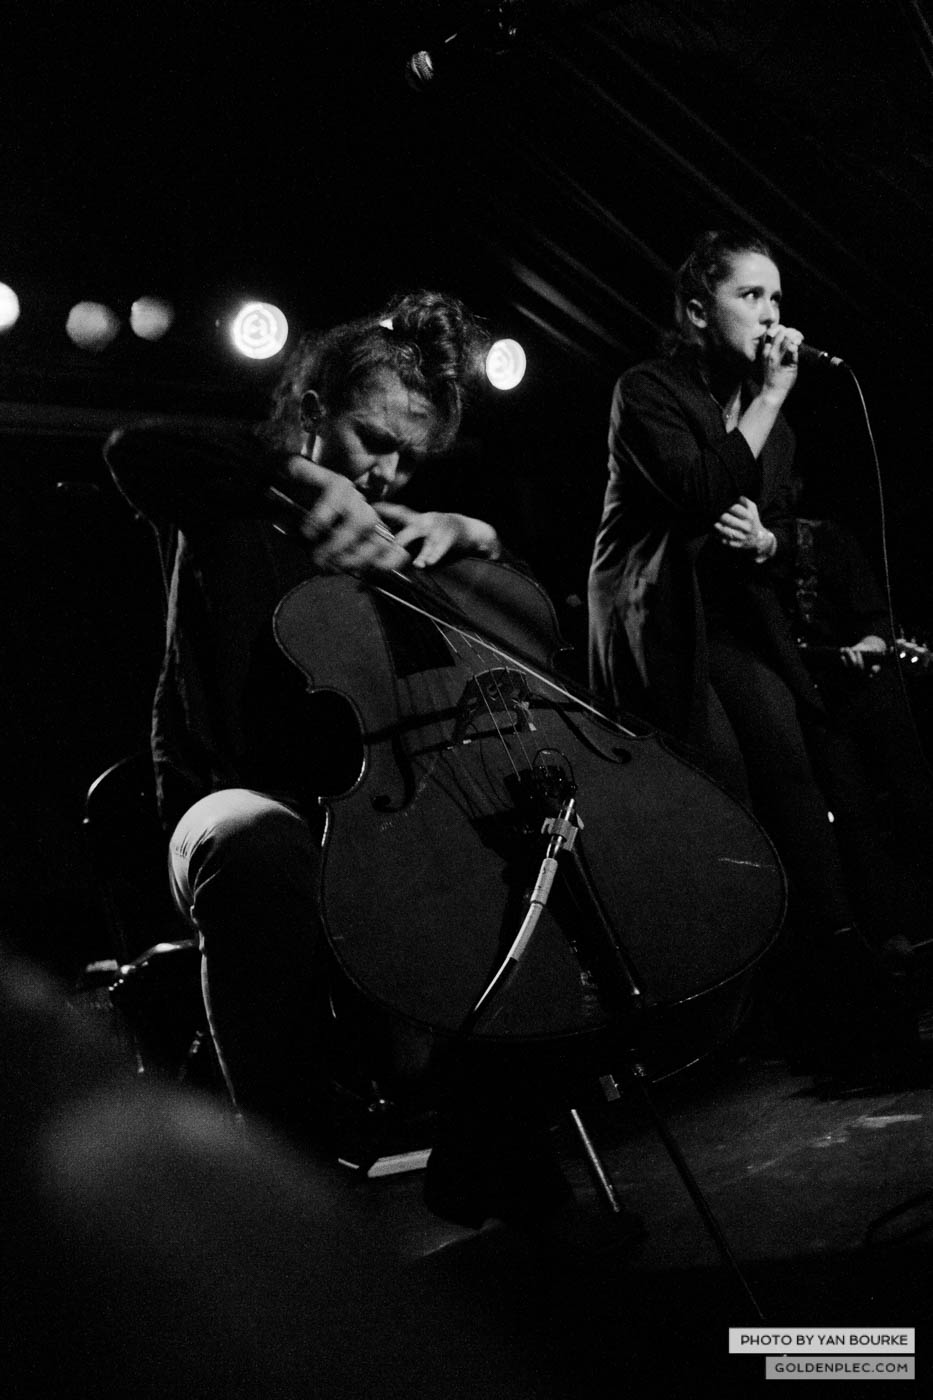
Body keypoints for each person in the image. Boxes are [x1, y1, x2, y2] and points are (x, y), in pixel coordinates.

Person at [104, 289, 580, 1231]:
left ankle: (494, 1159)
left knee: (526, 851)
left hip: (378, 805)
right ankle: (293, 1191)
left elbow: (501, 656)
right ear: (314, 409)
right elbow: (133, 450)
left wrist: (478, 543)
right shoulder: (231, 497)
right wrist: (303, 478)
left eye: (409, 455)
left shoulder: (398, 539)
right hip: (237, 792)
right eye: (370, 440)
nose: (388, 472)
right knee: (254, 846)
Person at [587, 229, 919, 1078]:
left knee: (798, 788)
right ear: (697, 311)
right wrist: (767, 403)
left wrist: (768, 543)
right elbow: (697, 491)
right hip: (664, 622)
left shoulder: (776, 426)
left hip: (738, 623)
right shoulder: (647, 392)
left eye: (776, 297)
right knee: (727, 797)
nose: (772, 315)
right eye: (750, 296)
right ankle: (739, 1020)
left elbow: (759, 519)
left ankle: (852, 1000)